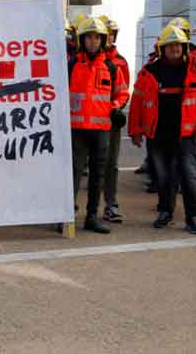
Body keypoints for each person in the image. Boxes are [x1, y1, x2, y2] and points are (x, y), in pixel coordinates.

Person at [129, 25, 196, 235]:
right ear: (162, 48)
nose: (175, 48)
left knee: (189, 176)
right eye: (170, 45)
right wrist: (135, 129)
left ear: (184, 47)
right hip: (158, 134)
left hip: (185, 134)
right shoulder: (149, 72)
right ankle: (165, 211)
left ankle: (194, 217)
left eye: (178, 45)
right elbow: (136, 102)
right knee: (163, 177)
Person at [69, 17, 129, 234]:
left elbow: (122, 93)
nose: (92, 41)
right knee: (74, 172)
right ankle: (67, 215)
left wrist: (115, 107)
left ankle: (92, 216)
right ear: (82, 40)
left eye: (97, 37)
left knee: (97, 175)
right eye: (89, 37)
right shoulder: (72, 65)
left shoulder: (111, 68)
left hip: (102, 131)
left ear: (102, 40)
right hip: (76, 129)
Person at [100, 16, 130, 224]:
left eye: (112, 34)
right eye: (106, 34)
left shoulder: (120, 62)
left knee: (111, 164)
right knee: (79, 165)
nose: (109, 37)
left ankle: (111, 205)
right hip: (84, 124)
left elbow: (123, 91)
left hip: (110, 122)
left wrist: (115, 107)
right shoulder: (78, 61)